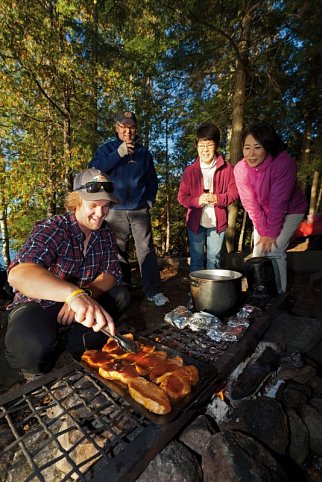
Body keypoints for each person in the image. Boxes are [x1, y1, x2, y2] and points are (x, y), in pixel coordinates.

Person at [5, 168, 131, 377]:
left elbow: (111, 273)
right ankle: (37, 361)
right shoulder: (54, 227)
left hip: (77, 303)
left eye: (106, 205)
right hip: (38, 303)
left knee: (121, 295)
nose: (100, 214)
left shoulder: (105, 232)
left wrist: (85, 294)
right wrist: (71, 294)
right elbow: (18, 274)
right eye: (93, 205)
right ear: (76, 201)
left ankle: (69, 341)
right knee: (29, 349)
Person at [90, 110, 169, 307]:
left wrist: (149, 199)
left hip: (139, 211)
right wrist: (119, 153)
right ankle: (123, 290)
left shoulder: (143, 153)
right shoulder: (107, 149)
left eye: (131, 127)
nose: (128, 131)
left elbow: (152, 180)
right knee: (118, 252)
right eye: (124, 127)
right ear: (116, 128)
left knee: (146, 251)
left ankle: (153, 291)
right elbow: (94, 171)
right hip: (114, 210)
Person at [234, 121, 308, 293]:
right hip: (263, 213)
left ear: (267, 146)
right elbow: (250, 203)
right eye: (247, 148)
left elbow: (279, 202)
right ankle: (258, 292)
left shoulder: (283, 163)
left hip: (291, 210)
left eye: (257, 147)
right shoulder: (240, 169)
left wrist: (271, 233)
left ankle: (279, 295)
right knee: (259, 252)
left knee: (274, 250)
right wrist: (263, 230)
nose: (251, 154)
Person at [178, 122, 239, 272]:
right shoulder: (190, 171)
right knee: (197, 260)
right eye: (201, 145)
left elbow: (234, 194)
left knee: (215, 260)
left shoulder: (227, 168)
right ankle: (196, 295)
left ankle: (213, 295)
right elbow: (182, 197)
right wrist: (197, 200)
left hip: (217, 224)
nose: (205, 150)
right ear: (197, 146)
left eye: (209, 145)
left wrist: (218, 199)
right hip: (195, 223)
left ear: (216, 145)